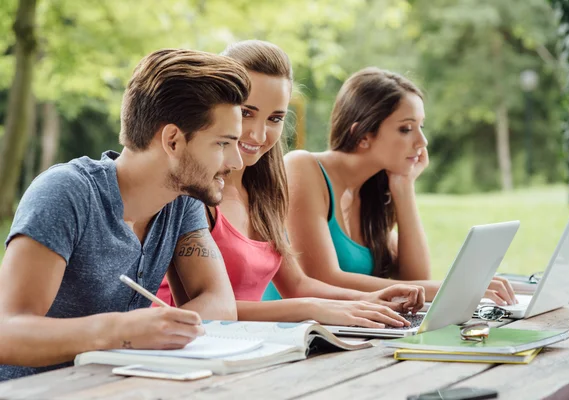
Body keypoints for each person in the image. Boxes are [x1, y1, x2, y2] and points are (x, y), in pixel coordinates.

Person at [0, 49, 250, 381]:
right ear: (173, 141)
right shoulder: (66, 193)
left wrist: (157, 331)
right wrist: (121, 330)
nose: (236, 162)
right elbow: (8, 332)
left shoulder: (182, 199)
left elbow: (220, 303)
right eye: (222, 143)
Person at [157, 40, 425, 328]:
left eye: (275, 118)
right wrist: (312, 309)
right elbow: (201, 310)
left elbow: (297, 285)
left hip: (247, 345)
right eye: (247, 112)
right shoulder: (192, 190)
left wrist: (372, 299)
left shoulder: (265, 191)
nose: (259, 134)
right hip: (183, 346)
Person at [266, 67, 517, 305]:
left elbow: (413, 280)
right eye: (406, 129)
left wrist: (404, 187)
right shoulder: (302, 167)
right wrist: (458, 287)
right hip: (293, 338)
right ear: (363, 135)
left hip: (346, 333)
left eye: (421, 126)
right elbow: (323, 278)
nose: (422, 141)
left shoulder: (369, 194)